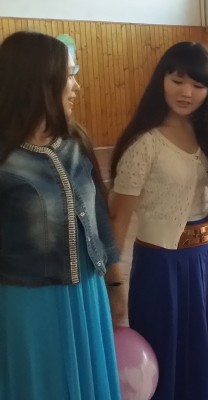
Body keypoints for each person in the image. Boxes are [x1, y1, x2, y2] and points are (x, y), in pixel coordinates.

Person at [109, 42, 208, 400]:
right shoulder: (145, 144)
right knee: (170, 356)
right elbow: (117, 219)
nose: (186, 92)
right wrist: (115, 286)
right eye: (177, 80)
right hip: (163, 266)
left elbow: (207, 197)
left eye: (197, 85)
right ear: (161, 80)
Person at [0, 31, 123, 399]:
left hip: (88, 293)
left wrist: (116, 286)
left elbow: (99, 220)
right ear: (38, 82)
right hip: (27, 305)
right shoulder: (5, 160)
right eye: (69, 75)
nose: (76, 85)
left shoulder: (73, 143)